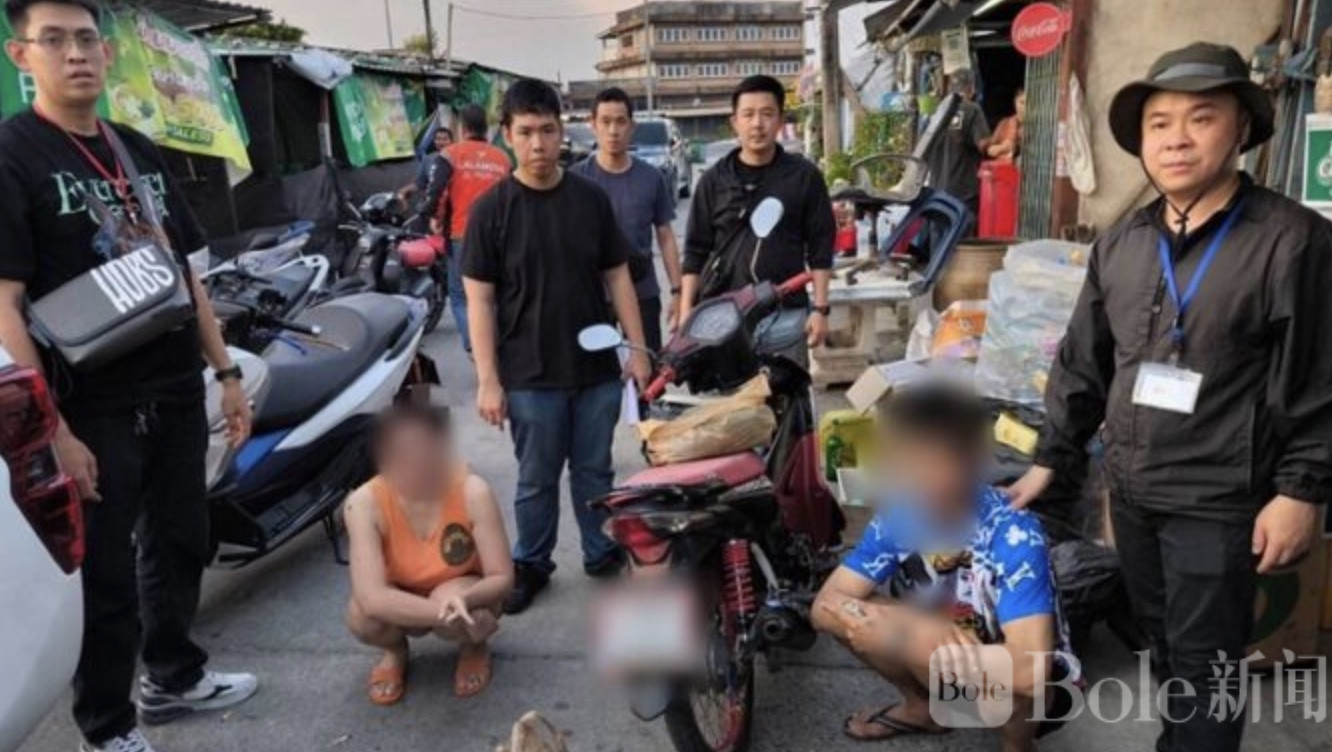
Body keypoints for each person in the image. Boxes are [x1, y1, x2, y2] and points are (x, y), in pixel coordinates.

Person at [1007, 42, 1332, 752]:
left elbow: (1318, 375)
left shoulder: (1293, 242)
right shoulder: (1123, 242)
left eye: (1201, 118)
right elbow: (1084, 362)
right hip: (1132, 491)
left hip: (1221, 498)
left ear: (1240, 129)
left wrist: (1301, 490)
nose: (1177, 139)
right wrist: (1052, 458)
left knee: (1206, 662)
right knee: (1165, 646)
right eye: (1160, 123)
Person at [0, 2, 258, 750]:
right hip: (92, 404)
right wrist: (54, 433)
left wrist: (225, 371)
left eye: (87, 39)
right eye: (54, 40)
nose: (76, 53)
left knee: (181, 541)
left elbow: (184, 273)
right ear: (22, 56)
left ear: (107, 53)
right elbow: (5, 305)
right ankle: (107, 724)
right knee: (105, 574)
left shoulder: (134, 148)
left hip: (173, 386)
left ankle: (173, 675)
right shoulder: (12, 156)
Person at [461, 79, 651, 615]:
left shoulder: (590, 200)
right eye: (525, 132)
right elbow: (480, 301)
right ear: (506, 135)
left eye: (547, 130)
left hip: (595, 371)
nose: (538, 144)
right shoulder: (491, 210)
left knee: (595, 471)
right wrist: (488, 380)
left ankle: (599, 550)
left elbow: (618, 278)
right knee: (536, 479)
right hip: (528, 375)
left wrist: (637, 351)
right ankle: (532, 562)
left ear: (561, 130)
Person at [814, 385, 1078, 750]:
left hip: (1008, 680)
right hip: (944, 659)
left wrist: (909, 639)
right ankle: (923, 709)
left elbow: (1030, 673)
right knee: (857, 616)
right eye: (903, 463)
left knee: (1026, 683)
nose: (915, 479)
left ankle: (1018, 746)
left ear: (973, 460)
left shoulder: (1014, 534)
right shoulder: (899, 516)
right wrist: (914, 626)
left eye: (932, 464)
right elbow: (824, 606)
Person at [344, 394, 513, 706]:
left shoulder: (473, 490)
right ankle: (395, 651)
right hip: (406, 596)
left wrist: (465, 602)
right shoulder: (363, 503)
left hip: (461, 588)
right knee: (362, 617)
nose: (417, 462)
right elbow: (371, 596)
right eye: (401, 454)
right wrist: (447, 614)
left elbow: (502, 576)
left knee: (452, 596)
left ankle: (474, 647)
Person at [681, 74, 835, 359]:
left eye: (766, 114)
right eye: (748, 114)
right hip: (724, 320)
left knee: (788, 386)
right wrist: (685, 313)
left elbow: (821, 247)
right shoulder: (713, 181)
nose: (757, 124)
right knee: (732, 389)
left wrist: (821, 309)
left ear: (780, 120)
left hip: (787, 316)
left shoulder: (804, 176)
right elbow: (694, 252)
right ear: (734, 122)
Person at [569, 87, 683, 352]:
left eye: (620, 122)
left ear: (632, 127)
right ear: (592, 124)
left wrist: (677, 292)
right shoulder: (576, 180)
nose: (613, 130)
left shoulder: (651, 178)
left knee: (648, 367)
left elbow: (666, 236)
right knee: (597, 373)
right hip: (594, 296)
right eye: (605, 121)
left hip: (642, 290)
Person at [419, 104, 511, 354]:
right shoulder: (503, 159)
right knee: (494, 294)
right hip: (499, 237)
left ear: (462, 128)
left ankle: (475, 346)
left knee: (460, 295)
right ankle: (498, 343)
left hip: (462, 235)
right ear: (485, 128)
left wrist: (433, 217)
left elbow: (436, 191)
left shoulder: (450, 155)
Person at [924, 69, 991, 217]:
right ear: (972, 89)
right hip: (963, 194)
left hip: (936, 193)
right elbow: (984, 145)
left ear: (949, 89)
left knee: (940, 230)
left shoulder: (935, 112)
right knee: (963, 231)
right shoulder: (972, 109)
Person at [399, 124, 454, 213]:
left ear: (451, 141)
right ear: (434, 141)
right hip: (432, 204)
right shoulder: (428, 159)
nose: (441, 142)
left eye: (445, 139)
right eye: (438, 139)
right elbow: (420, 183)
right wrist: (404, 191)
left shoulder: (458, 158)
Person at [983, 88, 1025, 163]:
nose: (1024, 107)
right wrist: (1003, 147)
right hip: (1005, 167)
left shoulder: (1036, 127)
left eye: (1028, 103)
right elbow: (990, 150)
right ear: (1015, 102)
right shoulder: (1004, 123)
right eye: (1022, 102)